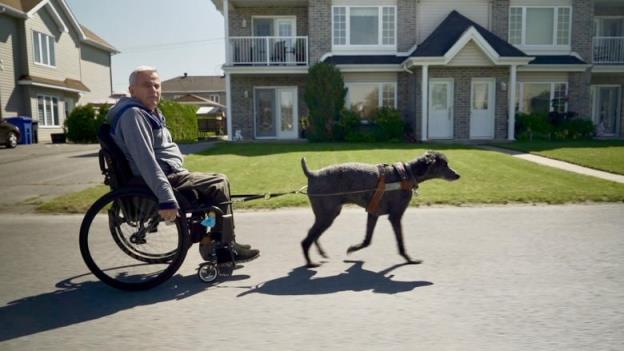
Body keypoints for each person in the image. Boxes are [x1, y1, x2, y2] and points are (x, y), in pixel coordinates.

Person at [107, 66, 259, 263]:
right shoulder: (133, 115)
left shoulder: (146, 112)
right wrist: (166, 198)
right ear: (132, 90)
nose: (153, 90)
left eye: (156, 85)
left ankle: (208, 240)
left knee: (211, 196)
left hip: (170, 174)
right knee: (218, 183)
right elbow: (146, 162)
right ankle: (224, 246)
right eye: (146, 85)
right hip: (160, 181)